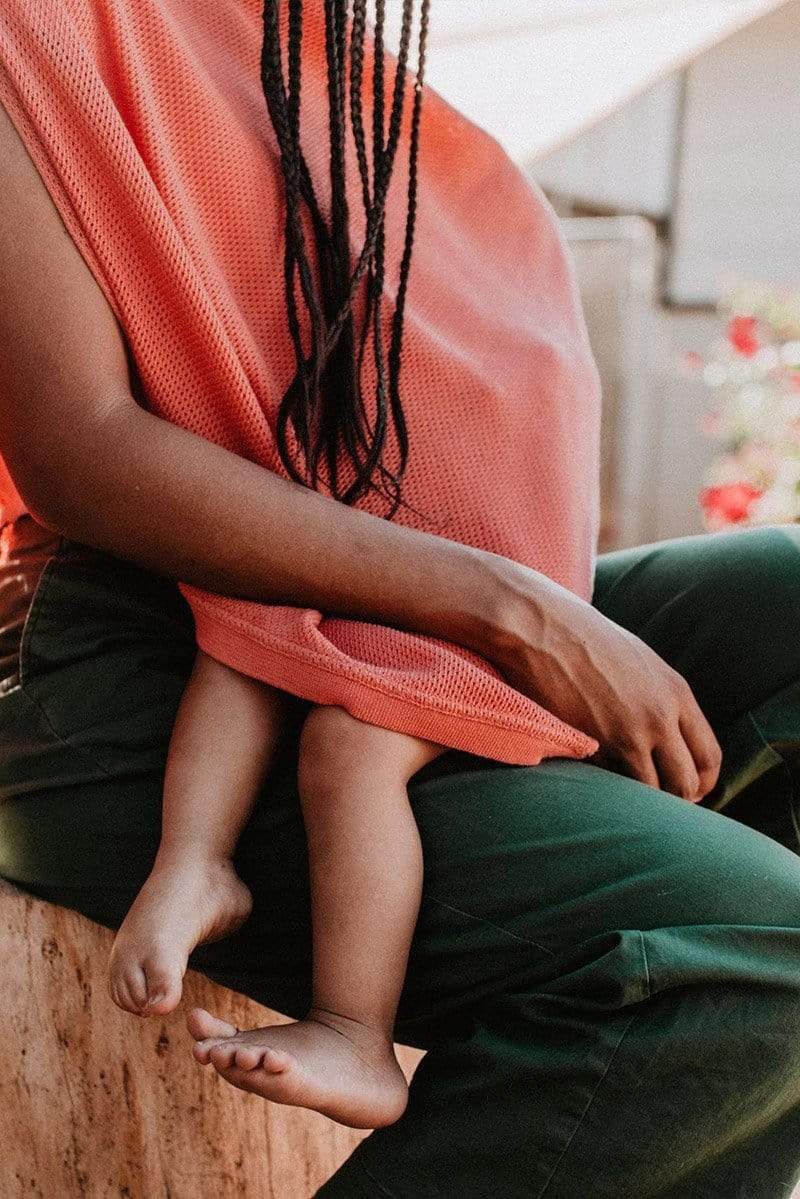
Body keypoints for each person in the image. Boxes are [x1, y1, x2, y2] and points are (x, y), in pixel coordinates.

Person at [2, 2, 800, 1196]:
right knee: (760, 948)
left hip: (386, 600)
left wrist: (506, 601)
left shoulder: (320, 56)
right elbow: (84, 448)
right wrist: (509, 610)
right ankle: (676, 970)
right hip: (116, 656)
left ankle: (655, 1027)